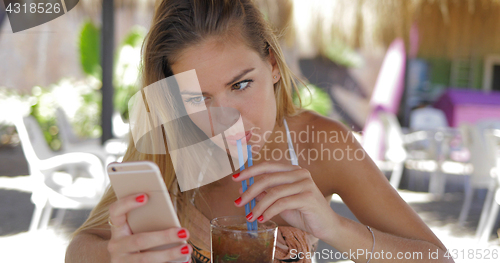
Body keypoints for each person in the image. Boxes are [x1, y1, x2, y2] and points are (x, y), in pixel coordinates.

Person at [66, 0, 453, 262]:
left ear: (271, 64)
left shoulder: (319, 143)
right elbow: (82, 245)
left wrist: (334, 227)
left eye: (240, 85)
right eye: (199, 99)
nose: (226, 117)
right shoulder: (170, 141)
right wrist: (115, 255)